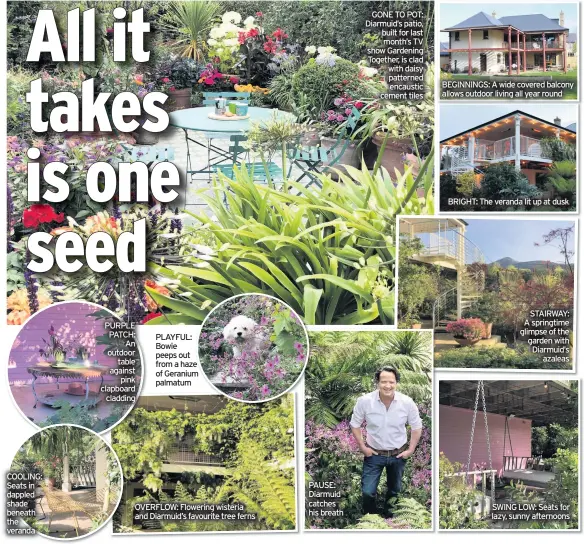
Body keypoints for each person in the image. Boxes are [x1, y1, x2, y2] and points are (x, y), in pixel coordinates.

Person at [350, 366, 423, 516]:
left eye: (391, 382)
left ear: (396, 383)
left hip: (398, 455)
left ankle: (389, 519)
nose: (387, 386)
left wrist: (410, 450)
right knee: (368, 492)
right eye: (384, 381)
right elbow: (355, 424)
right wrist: (363, 447)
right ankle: (371, 519)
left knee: (394, 490)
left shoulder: (407, 403)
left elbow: (417, 427)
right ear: (377, 382)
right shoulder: (365, 401)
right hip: (374, 455)